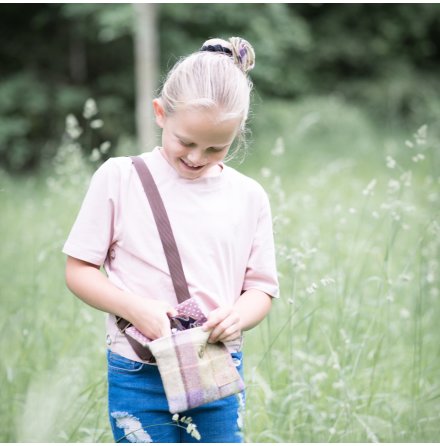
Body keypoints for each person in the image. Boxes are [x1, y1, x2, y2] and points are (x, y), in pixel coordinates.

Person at [63, 36, 279, 443]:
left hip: (215, 366)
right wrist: (136, 308)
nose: (197, 157)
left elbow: (261, 290)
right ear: (160, 113)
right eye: (186, 142)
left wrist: (238, 316)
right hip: (138, 370)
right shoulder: (120, 178)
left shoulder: (249, 196)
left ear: (237, 133)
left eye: (217, 147)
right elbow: (79, 270)